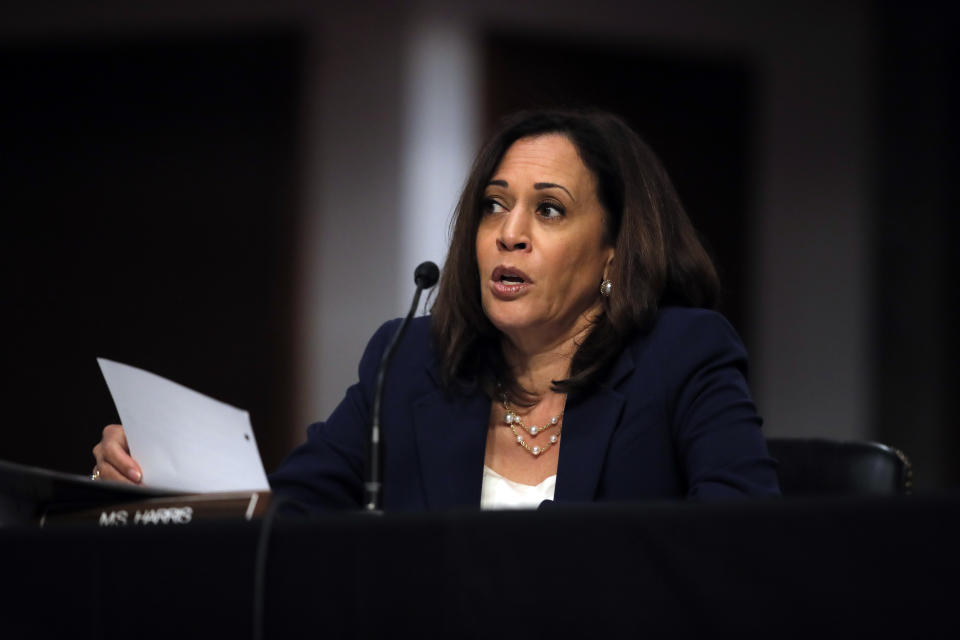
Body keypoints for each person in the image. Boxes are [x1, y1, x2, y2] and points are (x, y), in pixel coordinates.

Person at [92, 108, 780, 510]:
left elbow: (737, 544)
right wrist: (162, 484)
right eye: (493, 205)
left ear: (613, 252)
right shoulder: (413, 361)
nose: (510, 233)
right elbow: (287, 517)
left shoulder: (682, 355)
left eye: (549, 209)